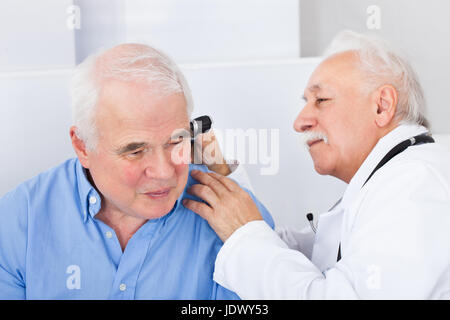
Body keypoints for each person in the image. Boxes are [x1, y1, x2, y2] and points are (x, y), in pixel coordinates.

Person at [183, 31, 450, 299]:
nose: (299, 122)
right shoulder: (394, 182)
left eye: (321, 100)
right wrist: (225, 176)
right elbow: (301, 258)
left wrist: (245, 234)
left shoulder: (414, 186)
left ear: (382, 106)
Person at [0, 43, 274, 299]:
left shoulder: (240, 227)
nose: (164, 172)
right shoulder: (18, 222)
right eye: (135, 150)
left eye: (176, 141)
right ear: (82, 146)